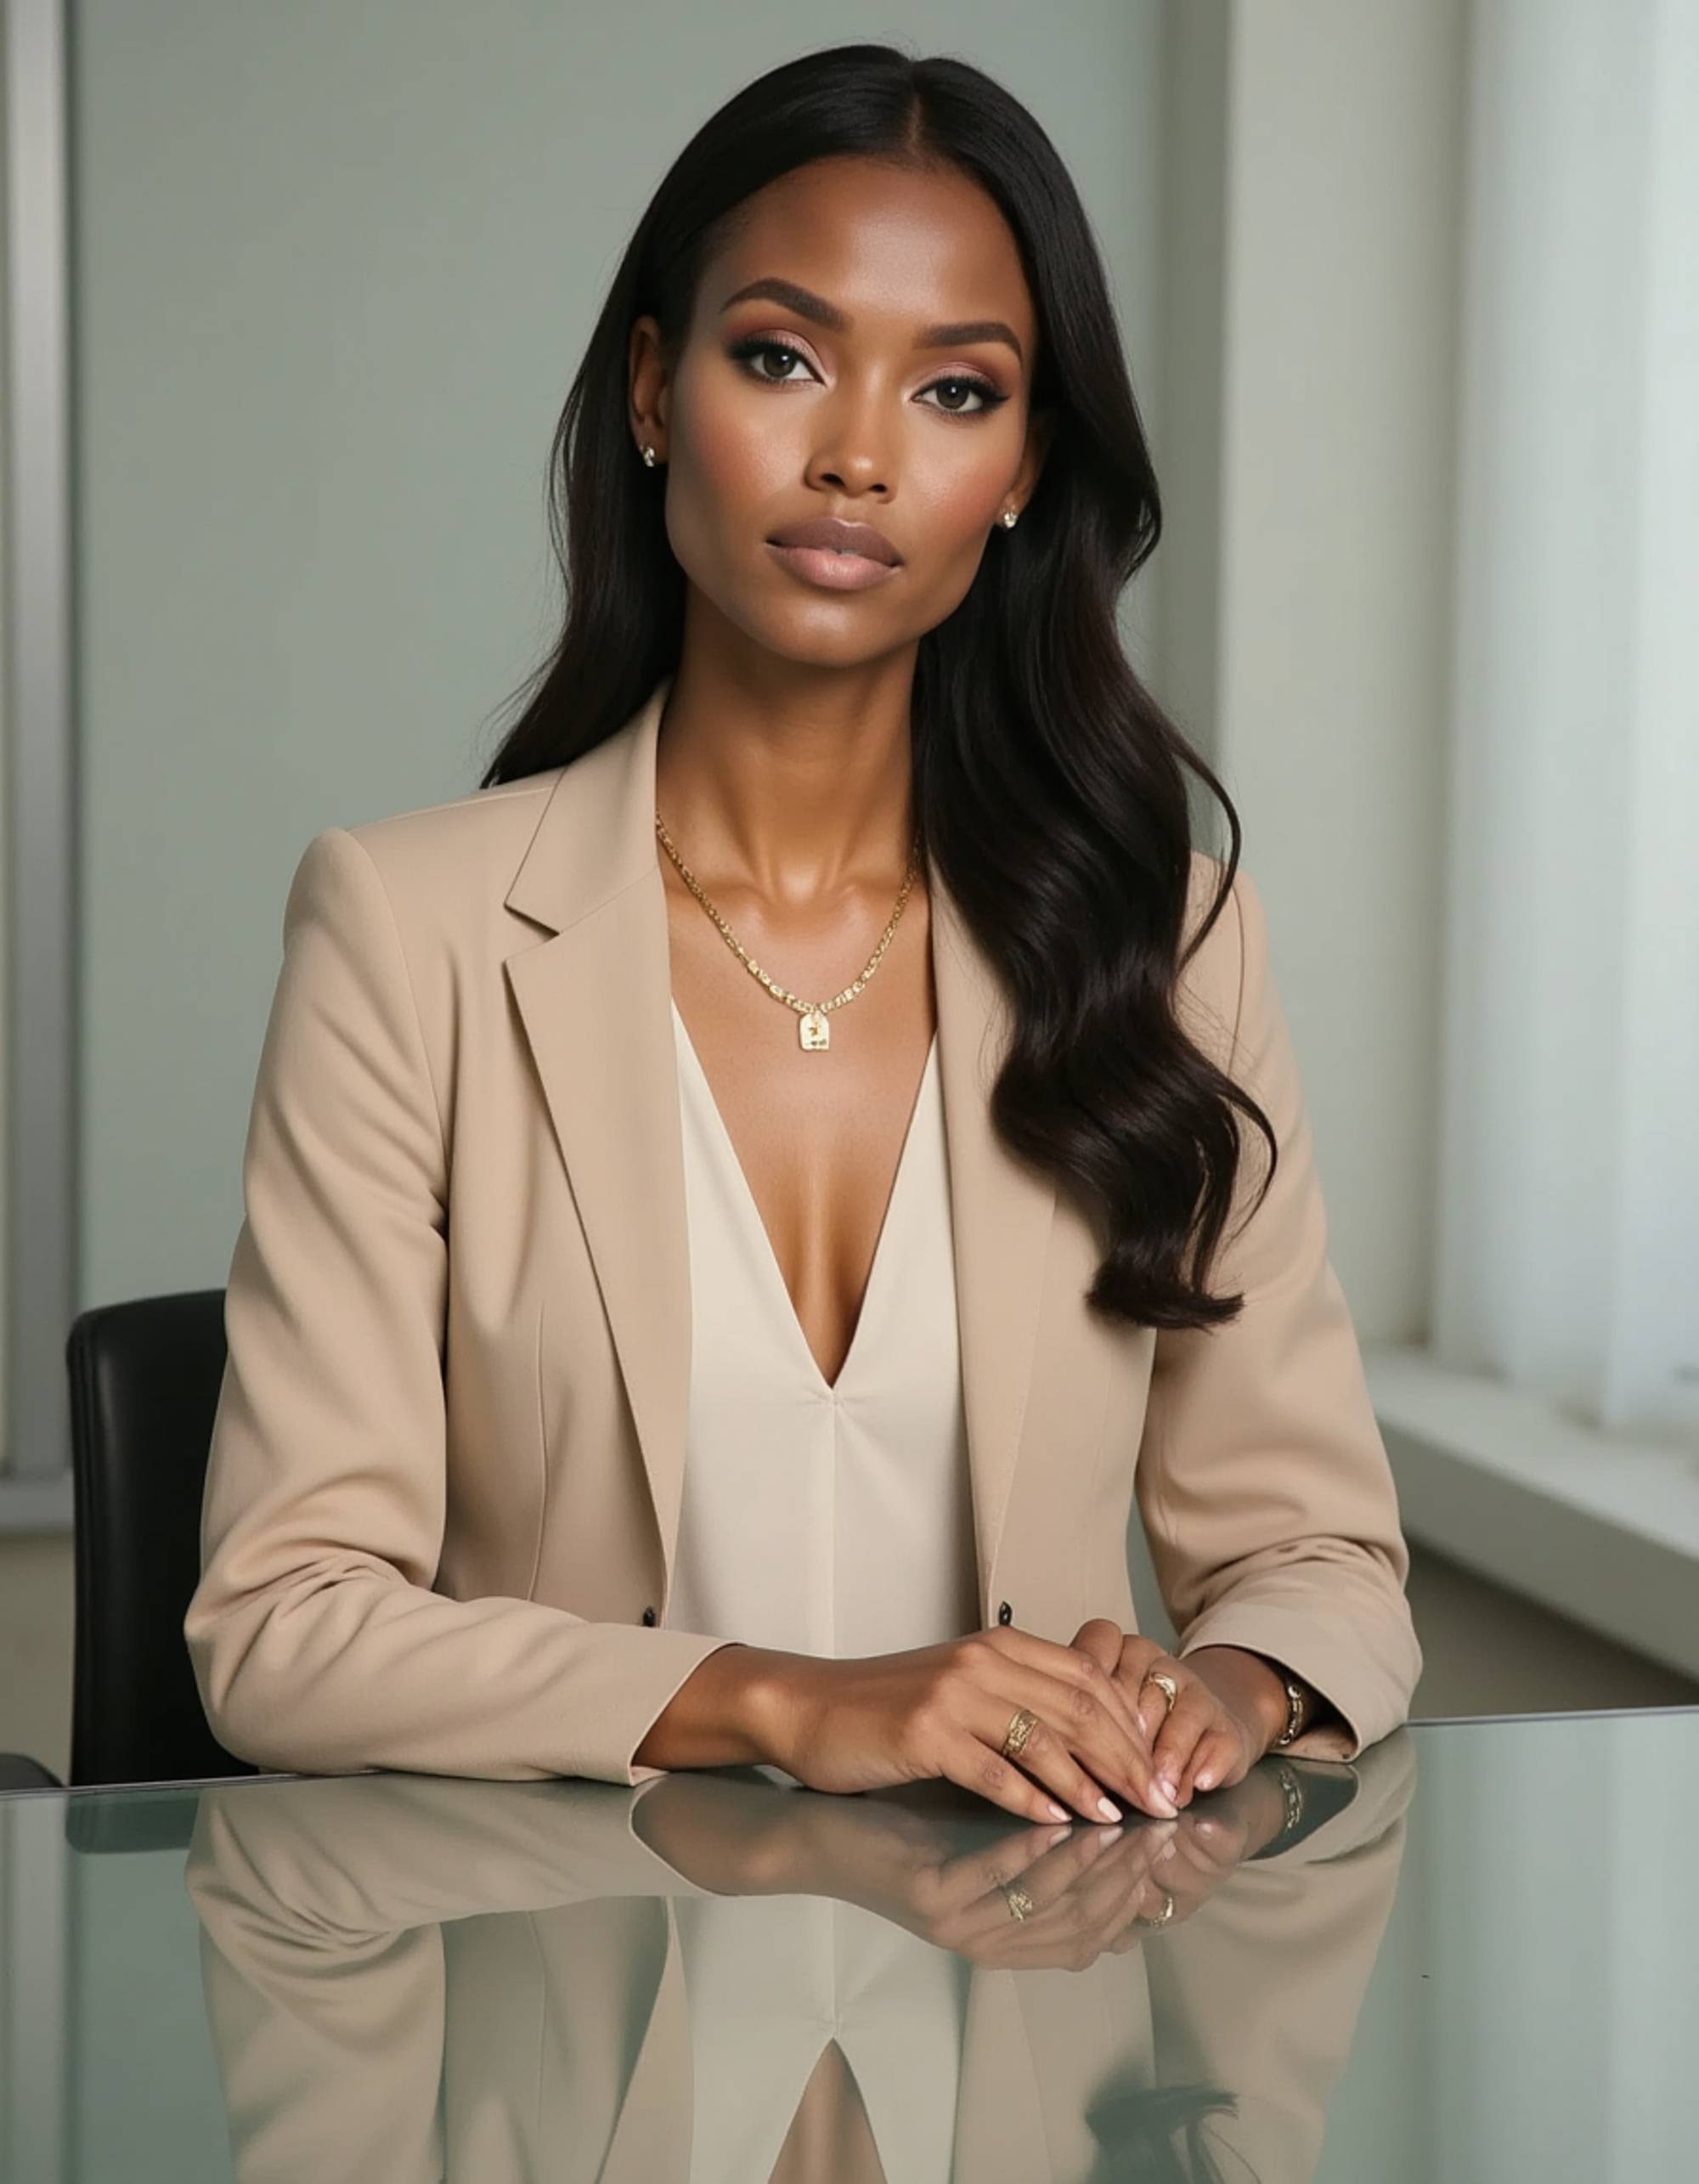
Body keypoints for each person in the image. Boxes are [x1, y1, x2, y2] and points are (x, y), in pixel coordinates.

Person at [184, 41, 1421, 1830]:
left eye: (955, 391)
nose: (856, 456)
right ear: (651, 389)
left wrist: (1224, 1690)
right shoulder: (409, 931)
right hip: (562, 1965)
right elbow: (282, 1626)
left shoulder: (1167, 940)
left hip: (1029, 1958)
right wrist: (793, 1698)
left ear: (1022, 466)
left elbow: (1316, 1556)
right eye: (781, 357)